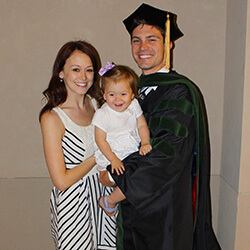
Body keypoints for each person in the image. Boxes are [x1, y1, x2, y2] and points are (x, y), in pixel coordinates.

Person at [100, 3, 221, 250]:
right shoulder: (131, 91)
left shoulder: (178, 92)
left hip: (163, 215)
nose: (142, 48)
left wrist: (117, 178)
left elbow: (166, 156)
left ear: (168, 44)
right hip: (134, 210)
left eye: (151, 39)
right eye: (136, 40)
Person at [39, 40, 116, 249]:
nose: (83, 77)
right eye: (76, 69)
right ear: (61, 73)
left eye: (89, 70)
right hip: (73, 206)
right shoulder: (52, 118)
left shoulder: (99, 106)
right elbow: (61, 181)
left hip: (104, 198)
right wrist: (98, 155)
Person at [91, 64, 152, 216]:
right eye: (112, 95)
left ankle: (110, 200)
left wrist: (145, 142)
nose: (117, 99)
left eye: (123, 94)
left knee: (140, 177)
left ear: (132, 94)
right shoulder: (102, 114)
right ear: (104, 95)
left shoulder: (134, 105)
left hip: (130, 150)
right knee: (126, 178)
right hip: (111, 155)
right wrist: (114, 160)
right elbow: (100, 140)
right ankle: (111, 200)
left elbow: (142, 125)